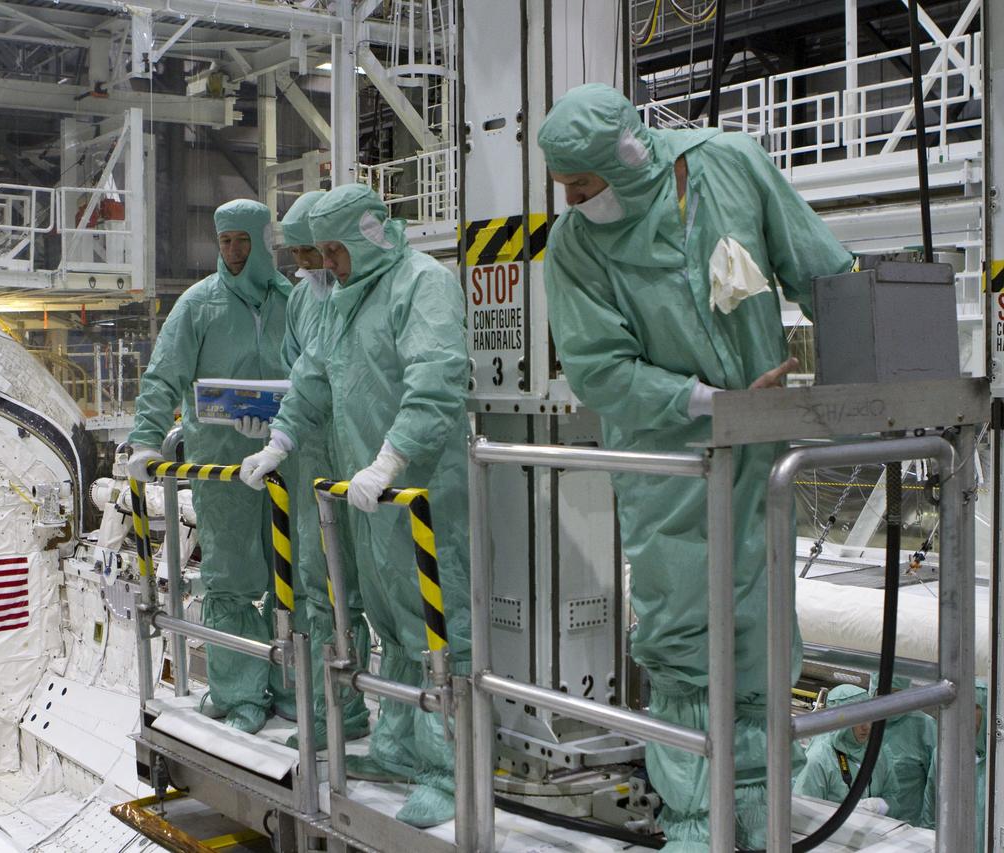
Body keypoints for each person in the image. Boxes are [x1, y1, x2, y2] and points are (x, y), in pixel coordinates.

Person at [536, 83, 853, 849]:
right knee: (683, 639)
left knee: (761, 625)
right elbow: (600, 369)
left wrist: (873, 364)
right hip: (667, 460)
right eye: (566, 188)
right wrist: (704, 400)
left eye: (584, 183)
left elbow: (822, 271)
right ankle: (694, 815)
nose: (575, 200)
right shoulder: (574, 248)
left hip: (763, 450)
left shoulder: (732, 166)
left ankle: (753, 798)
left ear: (630, 153)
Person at [239, 184, 471, 828]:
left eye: (334, 252)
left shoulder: (421, 283)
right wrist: (280, 442)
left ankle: (451, 774)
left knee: (439, 624)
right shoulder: (345, 298)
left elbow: (437, 375)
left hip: (424, 490)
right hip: (370, 493)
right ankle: (400, 748)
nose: (326, 266)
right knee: (398, 626)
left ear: (367, 235)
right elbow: (315, 376)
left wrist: (393, 458)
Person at [129, 199, 292, 734]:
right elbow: (163, 375)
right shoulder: (199, 305)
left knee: (299, 578)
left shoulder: (294, 302)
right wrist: (145, 442)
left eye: (243, 240)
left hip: (292, 460)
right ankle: (239, 694)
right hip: (222, 466)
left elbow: (321, 374)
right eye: (225, 242)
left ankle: (296, 691)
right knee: (231, 577)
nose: (234, 251)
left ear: (262, 242)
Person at [268, 190, 373, 750]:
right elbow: (300, 371)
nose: (309, 265)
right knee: (320, 578)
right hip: (314, 452)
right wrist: (278, 430)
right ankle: (338, 707)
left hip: (369, 454)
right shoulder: (303, 301)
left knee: (385, 588)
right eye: (302, 254)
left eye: (317, 252)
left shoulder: (377, 293)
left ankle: (410, 729)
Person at [793, 684, 897, 814]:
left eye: (869, 717)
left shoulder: (877, 752)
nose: (866, 727)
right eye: (858, 720)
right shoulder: (819, 760)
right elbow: (803, 814)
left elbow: (894, 799)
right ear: (841, 722)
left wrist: (883, 806)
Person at [921, 678, 988, 849]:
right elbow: (931, 809)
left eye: (976, 707)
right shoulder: (943, 754)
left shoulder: (998, 763)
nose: (968, 715)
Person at [870, 675, 935, 825]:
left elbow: (937, 786)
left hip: (908, 829)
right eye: (883, 694)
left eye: (896, 694)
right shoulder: (862, 722)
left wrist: (928, 828)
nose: (889, 702)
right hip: (864, 824)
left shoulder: (924, 726)